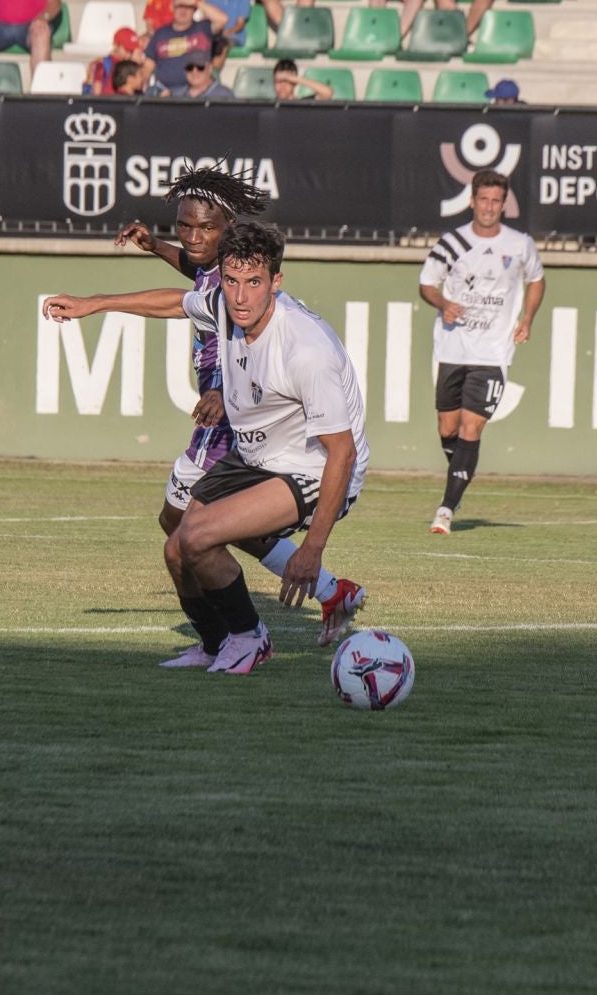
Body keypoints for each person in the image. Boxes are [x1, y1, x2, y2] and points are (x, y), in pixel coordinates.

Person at [42, 168, 364, 650]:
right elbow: (186, 291)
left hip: (276, 445)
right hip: (253, 437)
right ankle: (242, 630)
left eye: (204, 228)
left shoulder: (294, 338)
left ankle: (251, 633)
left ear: (273, 279)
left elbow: (341, 450)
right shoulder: (222, 280)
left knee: (189, 532)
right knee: (184, 531)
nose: (193, 237)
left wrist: (219, 390)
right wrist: (104, 296)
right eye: (184, 226)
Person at [418, 169, 543, 536]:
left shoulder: (520, 244)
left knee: (472, 428)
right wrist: (443, 303)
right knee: (448, 427)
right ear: (472, 201)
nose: (489, 207)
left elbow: (537, 280)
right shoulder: (452, 243)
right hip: (452, 347)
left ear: (504, 205)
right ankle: (461, 473)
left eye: (496, 201)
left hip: (492, 353)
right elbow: (426, 283)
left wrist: (527, 318)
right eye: (483, 200)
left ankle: (446, 509)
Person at [144, 0, 220, 91]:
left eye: (188, 6)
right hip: (165, 93)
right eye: (179, 6)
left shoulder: (203, 28)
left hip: (197, 93)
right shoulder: (160, 33)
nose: (183, 10)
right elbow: (147, 67)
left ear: (195, 9)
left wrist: (196, 1)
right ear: (172, 7)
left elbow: (222, 20)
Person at [84, 25, 144, 95]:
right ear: (116, 46)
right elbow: (96, 94)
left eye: (131, 51)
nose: (129, 55)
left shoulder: (131, 66)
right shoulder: (103, 64)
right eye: (127, 50)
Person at [169, 52, 234, 97]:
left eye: (200, 67)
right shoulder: (174, 95)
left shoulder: (224, 95)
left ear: (210, 68)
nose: (194, 71)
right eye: (190, 68)